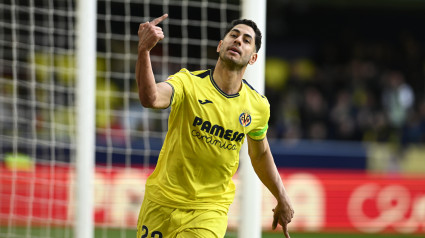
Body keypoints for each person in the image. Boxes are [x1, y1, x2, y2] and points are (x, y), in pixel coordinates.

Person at [136, 13, 294, 238]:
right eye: (234, 35)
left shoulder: (257, 107)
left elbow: (260, 154)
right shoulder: (188, 83)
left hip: (209, 209)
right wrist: (144, 51)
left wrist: (281, 196)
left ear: (253, 59)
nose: (238, 40)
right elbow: (150, 98)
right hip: (161, 201)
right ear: (220, 46)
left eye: (246, 40)